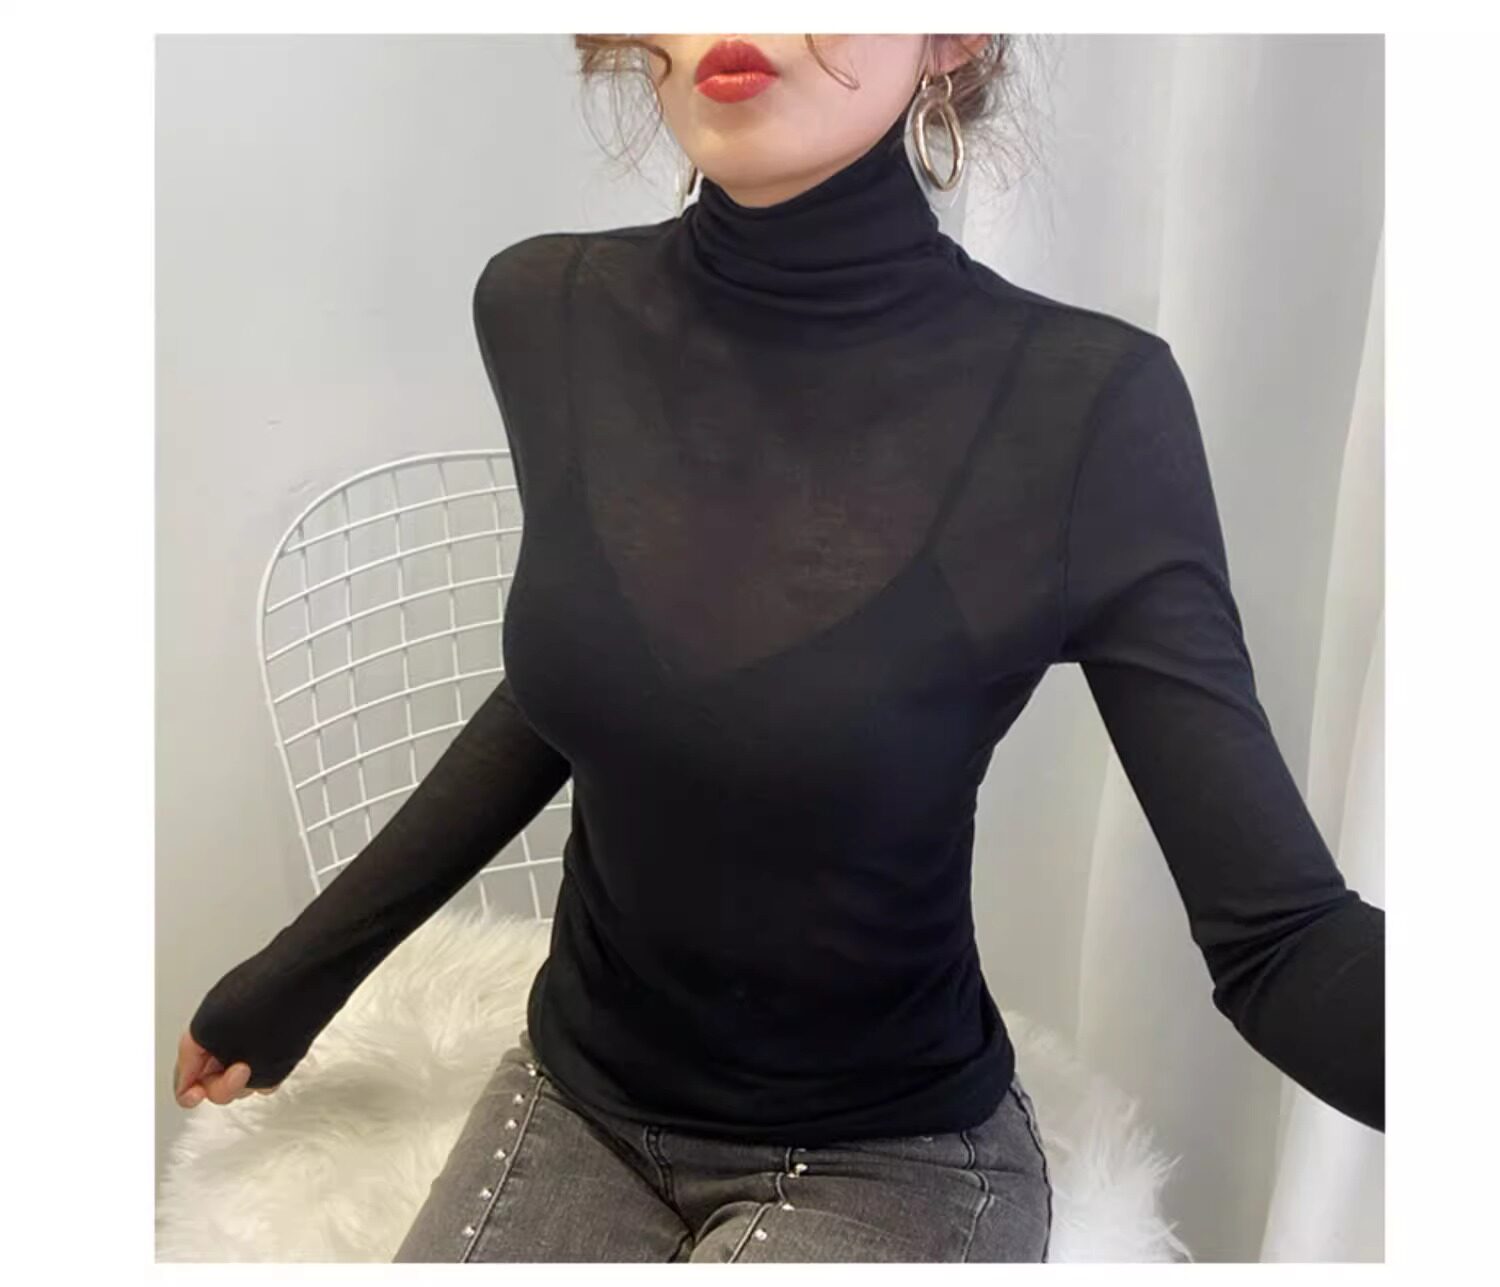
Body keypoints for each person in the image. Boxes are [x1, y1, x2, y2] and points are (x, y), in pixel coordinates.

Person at [174, 34, 1385, 1263]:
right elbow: (579, 689)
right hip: (578, 1097)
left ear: (955, 33)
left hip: (891, 1152)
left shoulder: (1085, 408)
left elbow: (1280, 940)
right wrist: (302, 974)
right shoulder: (546, 311)